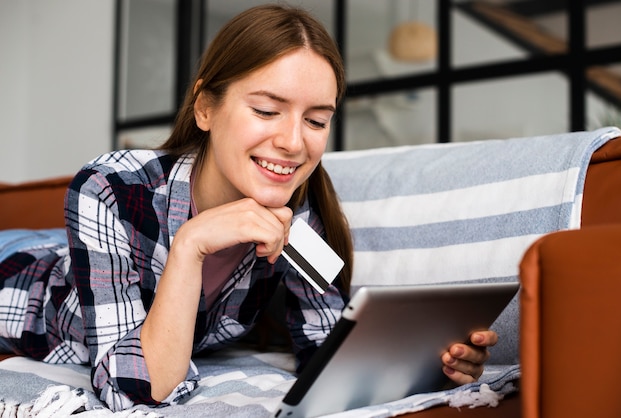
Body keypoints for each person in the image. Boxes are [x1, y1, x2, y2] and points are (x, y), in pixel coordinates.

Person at [0, 4, 497, 412]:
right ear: (205, 108)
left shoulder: (300, 218)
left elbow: (325, 350)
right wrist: (191, 243)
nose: (292, 142)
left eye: (317, 120)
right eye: (266, 110)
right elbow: (131, 391)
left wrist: (431, 365)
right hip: (21, 282)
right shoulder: (108, 186)